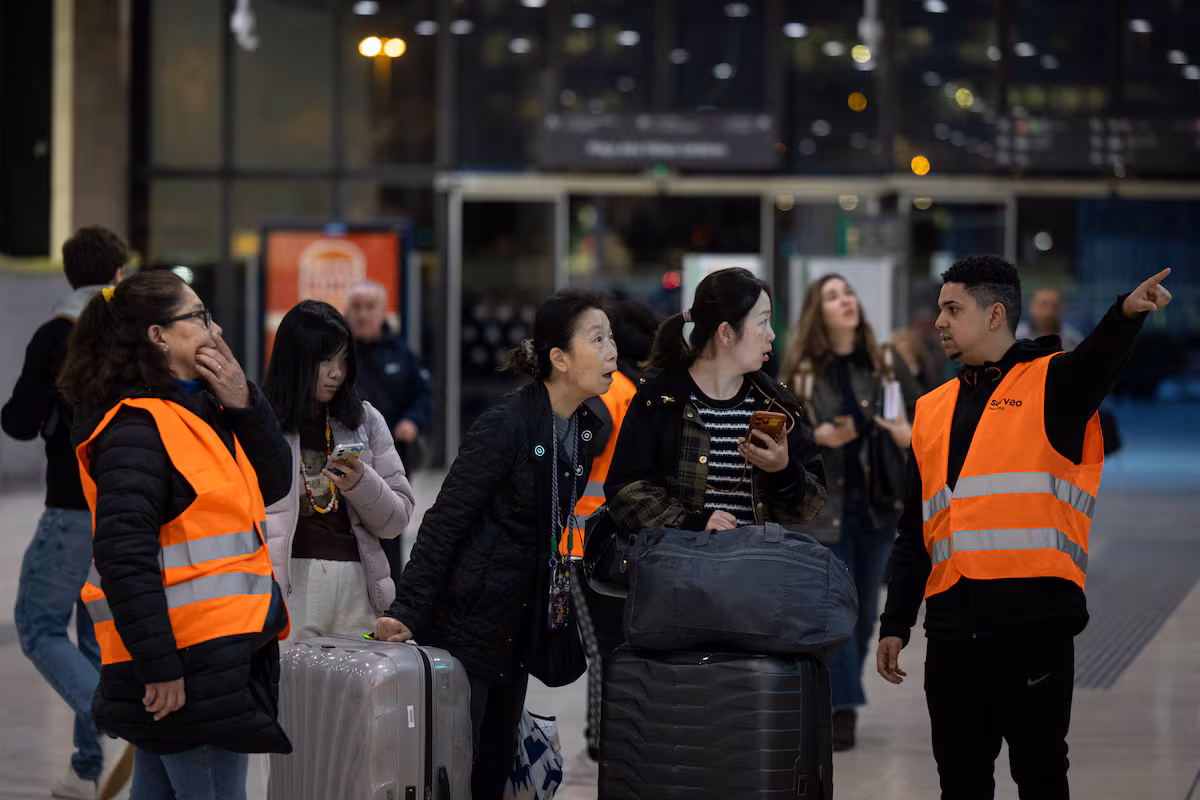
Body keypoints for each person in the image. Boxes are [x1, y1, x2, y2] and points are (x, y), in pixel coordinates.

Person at [876, 256, 1173, 799]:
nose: (938, 321)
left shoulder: (1054, 384)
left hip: (1033, 629)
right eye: (940, 309)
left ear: (994, 314)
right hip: (952, 632)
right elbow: (915, 530)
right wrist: (896, 620)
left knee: (1039, 776)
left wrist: (1125, 314)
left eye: (952, 309)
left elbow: (1097, 362)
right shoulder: (931, 409)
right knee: (959, 782)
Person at [58, 270, 294, 799]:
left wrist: (245, 404)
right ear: (158, 336)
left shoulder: (202, 408)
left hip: (211, 661)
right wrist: (160, 666)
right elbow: (124, 559)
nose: (216, 331)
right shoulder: (136, 430)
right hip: (188, 669)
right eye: (200, 317)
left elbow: (275, 482)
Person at [374, 290, 618, 800]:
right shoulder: (507, 424)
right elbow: (446, 520)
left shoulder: (585, 429)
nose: (611, 350)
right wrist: (408, 609)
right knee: (455, 766)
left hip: (520, 622)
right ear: (559, 358)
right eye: (597, 339)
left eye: (610, 337)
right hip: (469, 621)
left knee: (494, 768)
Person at [1, 225, 133, 800]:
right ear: (118, 273)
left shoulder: (57, 334)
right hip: (126, 510)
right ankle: (85, 769)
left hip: (73, 506)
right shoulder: (137, 336)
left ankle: (115, 715)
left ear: (68, 273)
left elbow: (18, 421)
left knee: (36, 625)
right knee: (95, 638)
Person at [781, 274, 922, 751]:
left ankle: (837, 696)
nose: (845, 301)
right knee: (834, 611)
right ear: (816, 313)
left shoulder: (885, 363)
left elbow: (925, 419)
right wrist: (815, 438)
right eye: (832, 296)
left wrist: (905, 433)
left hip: (878, 508)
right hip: (824, 512)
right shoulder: (801, 371)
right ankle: (841, 707)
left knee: (862, 620)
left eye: (847, 293)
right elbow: (785, 434)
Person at [604, 266, 826, 554]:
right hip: (677, 573)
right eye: (762, 322)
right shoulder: (659, 400)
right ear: (726, 332)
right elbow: (624, 493)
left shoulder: (775, 403)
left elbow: (812, 506)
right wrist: (691, 524)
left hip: (755, 573)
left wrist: (783, 470)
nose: (771, 334)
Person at [262, 300, 415, 648]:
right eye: (325, 360)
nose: (337, 373)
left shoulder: (365, 420)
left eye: (344, 360)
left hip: (359, 586)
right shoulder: (263, 423)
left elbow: (396, 521)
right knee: (291, 684)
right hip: (289, 584)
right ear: (295, 360)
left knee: (357, 684)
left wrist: (362, 483)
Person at [567, 297, 659, 762]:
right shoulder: (647, 391)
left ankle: (604, 738)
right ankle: (624, 734)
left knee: (602, 647)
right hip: (631, 538)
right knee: (624, 641)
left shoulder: (608, 391)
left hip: (585, 539)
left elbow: (583, 456)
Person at [344, 280, 432, 583]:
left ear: (383, 311)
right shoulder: (340, 354)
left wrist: (412, 421)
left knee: (389, 528)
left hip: (392, 456)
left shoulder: (402, 353)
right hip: (348, 456)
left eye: (370, 307)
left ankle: (391, 595)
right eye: (357, 307)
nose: (362, 314)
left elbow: (423, 397)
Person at [1016, 287, 1084, 351]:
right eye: (1043, 305)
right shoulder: (1017, 337)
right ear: (1031, 306)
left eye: (1055, 306)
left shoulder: (1073, 340)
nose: (1049, 312)